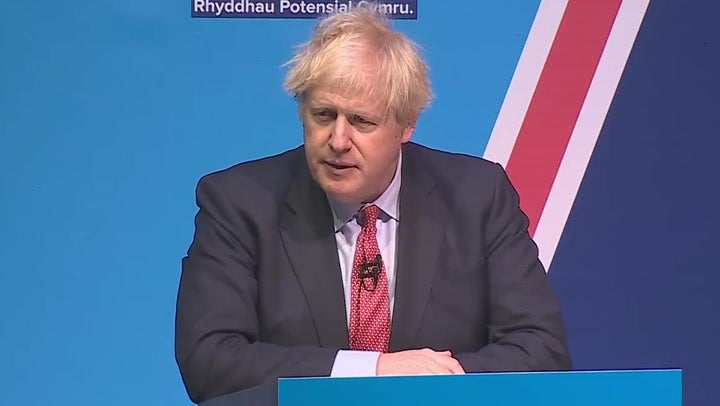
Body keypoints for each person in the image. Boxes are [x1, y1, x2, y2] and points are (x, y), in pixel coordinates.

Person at [174, 5, 571, 404]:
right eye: (323, 115)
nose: (338, 140)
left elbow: (541, 350)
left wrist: (430, 384)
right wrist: (371, 370)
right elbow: (210, 361)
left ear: (407, 124)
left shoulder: (477, 197)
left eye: (361, 121)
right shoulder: (240, 203)